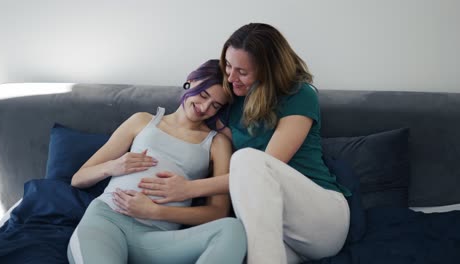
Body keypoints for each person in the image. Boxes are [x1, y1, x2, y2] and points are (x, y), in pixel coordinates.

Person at [138, 23, 352, 263]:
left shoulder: (300, 96)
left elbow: (264, 167)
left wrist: (189, 188)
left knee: (246, 158)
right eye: (228, 66)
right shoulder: (231, 99)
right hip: (274, 232)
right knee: (231, 244)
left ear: (268, 71)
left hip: (320, 220)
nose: (230, 77)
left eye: (242, 71)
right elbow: (194, 127)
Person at [67, 59, 247, 264]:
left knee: (232, 229)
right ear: (191, 80)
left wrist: (155, 211)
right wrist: (114, 166)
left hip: (157, 238)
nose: (204, 107)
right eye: (203, 94)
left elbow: (217, 213)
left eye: (215, 105)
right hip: (108, 220)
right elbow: (78, 178)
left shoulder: (217, 143)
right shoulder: (142, 120)